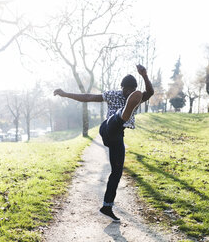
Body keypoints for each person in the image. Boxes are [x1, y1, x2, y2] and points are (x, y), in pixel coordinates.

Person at [53, 64, 154, 222]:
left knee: (117, 171)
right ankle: (122, 113)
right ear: (122, 88)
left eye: (132, 90)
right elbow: (88, 97)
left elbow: (151, 92)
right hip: (107, 129)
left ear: (135, 90)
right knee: (116, 119)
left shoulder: (137, 96)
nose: (129, 92)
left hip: (118, 137)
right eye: (127, 90)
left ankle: (107, 206)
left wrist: (144, 75)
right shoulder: (112, 94)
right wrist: (65, 94)